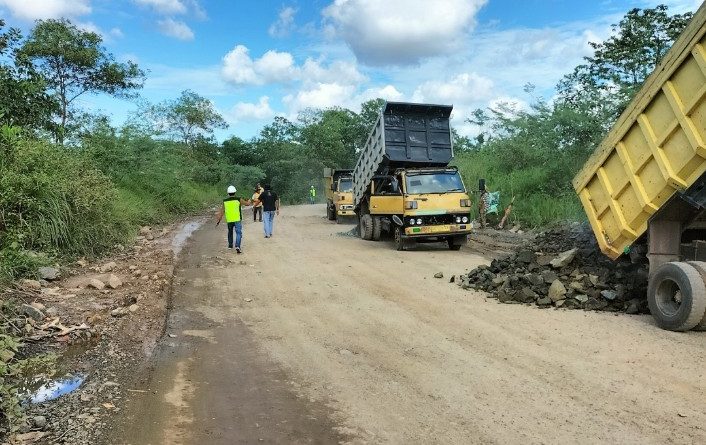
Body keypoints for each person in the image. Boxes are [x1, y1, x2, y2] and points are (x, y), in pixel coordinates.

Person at [215, 185, 251, 253]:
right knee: (238, 233)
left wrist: (219, 219)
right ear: (235, 192)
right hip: (237, 219)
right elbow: (247, 204)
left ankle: (230, 245)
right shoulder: (238, 199)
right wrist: (249, 201)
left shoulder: (225, 201)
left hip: (229, 219)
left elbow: (222, 211)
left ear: (228, 193)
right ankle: (237, 245)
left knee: (230, 232)